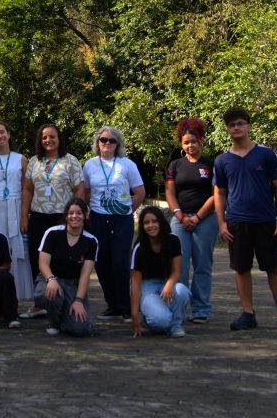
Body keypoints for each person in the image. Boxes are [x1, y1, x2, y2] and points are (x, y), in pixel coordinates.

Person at [213, 107, 277, 332]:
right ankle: (247, 313)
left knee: (273, 267)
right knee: (241, 268)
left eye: (240, 123)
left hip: (265, 220)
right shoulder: (222, 160)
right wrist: (222, 223)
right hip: (237, 221)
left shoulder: (265, 154)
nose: (236, 128)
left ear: (249, 126)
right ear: (227, 129)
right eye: (232, 125)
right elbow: (219, 193)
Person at [20, 123, 84, 319]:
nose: (48, 140)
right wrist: (24, 216)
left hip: (61, 218)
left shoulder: (70, 161)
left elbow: (79, 190)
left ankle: (60, 301)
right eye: (44, 137)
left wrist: (79, 215)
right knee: (36, 259)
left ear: (59, 139)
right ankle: (40, 304)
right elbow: (28, 190)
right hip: (38, 217)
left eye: (52, 137)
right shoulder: (34, 161)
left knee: (60, 260)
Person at [82, 125, 145, 322]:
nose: (107, 143)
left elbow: (140, 192)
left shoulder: (127, 164)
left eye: (111, 141)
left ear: (118, 144)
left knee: (120, 262)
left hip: (121, 220)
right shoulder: (90, 165)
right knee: (101, 263)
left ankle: (126, 306)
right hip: (98, 219)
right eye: (103, 140)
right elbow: (86, 191)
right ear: (97, 143)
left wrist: (126, 211)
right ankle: (112, 305)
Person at [165, 117, 218, 324]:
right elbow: (170, 193)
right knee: (179, 265)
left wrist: (197, 217)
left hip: (205, 220)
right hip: (179, 219)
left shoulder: (212, 165)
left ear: (202, 141)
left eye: (194, 141)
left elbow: (216, 195)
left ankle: (201, 309)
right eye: (186, 142)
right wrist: (179, 215)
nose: (190, 146)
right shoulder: (175, 165)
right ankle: (178, 307)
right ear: (181, 144)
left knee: (202, 265)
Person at [0, 120, 33, 300]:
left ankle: (20, 293)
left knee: (18, 251)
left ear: (8, 134)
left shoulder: (21, 159)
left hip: (16, 206)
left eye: (2, 132)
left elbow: (27, 188)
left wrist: (25, 215)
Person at [34, 198, 97, 337]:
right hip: (50, 279)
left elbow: (85, 274)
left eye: (79, 213)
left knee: (82, 329)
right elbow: (43, 263)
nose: (74, 216)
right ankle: (53, 322)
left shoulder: (91, 241)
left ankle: (64, 316)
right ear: (66, 215)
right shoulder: (52, 233)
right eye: (71, 213)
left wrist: (79, 300)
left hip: (73, 285)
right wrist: (51, 279)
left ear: (85, 216)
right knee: (53, 293)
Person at [130, 206, 190, 338]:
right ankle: (152, 318)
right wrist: (134, 314)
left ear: (161, 222)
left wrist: (169, 284)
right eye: (146, 223)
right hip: (147, 286)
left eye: (155, 221)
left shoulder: (173, 240)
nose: (151, 225)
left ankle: (175, 325)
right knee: (161, 321)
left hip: (166, 282)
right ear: (142, 226)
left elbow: (176, 271)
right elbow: (135, 283)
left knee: (182, 291)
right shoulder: (139, 247)